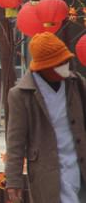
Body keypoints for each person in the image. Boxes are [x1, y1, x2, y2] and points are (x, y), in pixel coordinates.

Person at [6, 32, 86, 203]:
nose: (65, 66)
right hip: (47, 171)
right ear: (45, 67)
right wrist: (13, 180)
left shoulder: (76, 84)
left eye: (66, 61)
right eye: (60, 63)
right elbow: (15, 142)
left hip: (78, 163)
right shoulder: (21, 95)